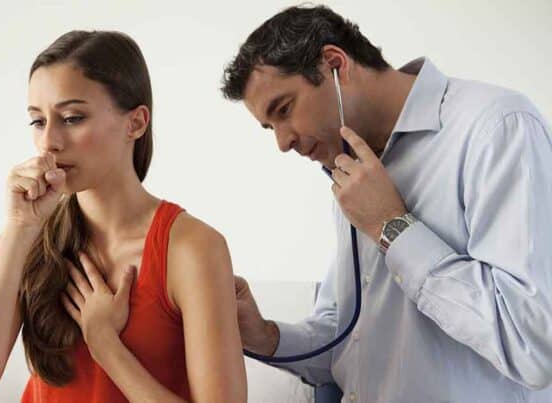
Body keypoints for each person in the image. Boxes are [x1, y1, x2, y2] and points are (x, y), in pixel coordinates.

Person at [221, 4, 552, 402]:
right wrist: (266, 336)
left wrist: (392, 226)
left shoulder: (497, 129)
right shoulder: (352, 169)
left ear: (334, 64)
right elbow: (348, 338)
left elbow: (534, 345)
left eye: (284, 110)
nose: (282, 142)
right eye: (269, 127)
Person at [0, 30, 246, 403]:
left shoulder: (192, 248)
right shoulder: (30, 234)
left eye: (71, 118)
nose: (49, 141)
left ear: (135, 123)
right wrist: (19, 229)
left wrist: (107, 347)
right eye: (38, 121)